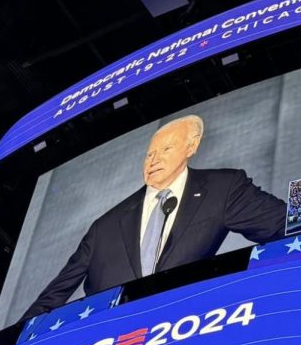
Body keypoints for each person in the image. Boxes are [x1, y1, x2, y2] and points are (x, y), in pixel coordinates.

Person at [22, 115, 286, 320]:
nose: (154, 160)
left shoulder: (221, 188)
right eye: (149, 154)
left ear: (191, 147)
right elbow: (51, 299)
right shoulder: (104, 227)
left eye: (166, 149)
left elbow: (284, 224)